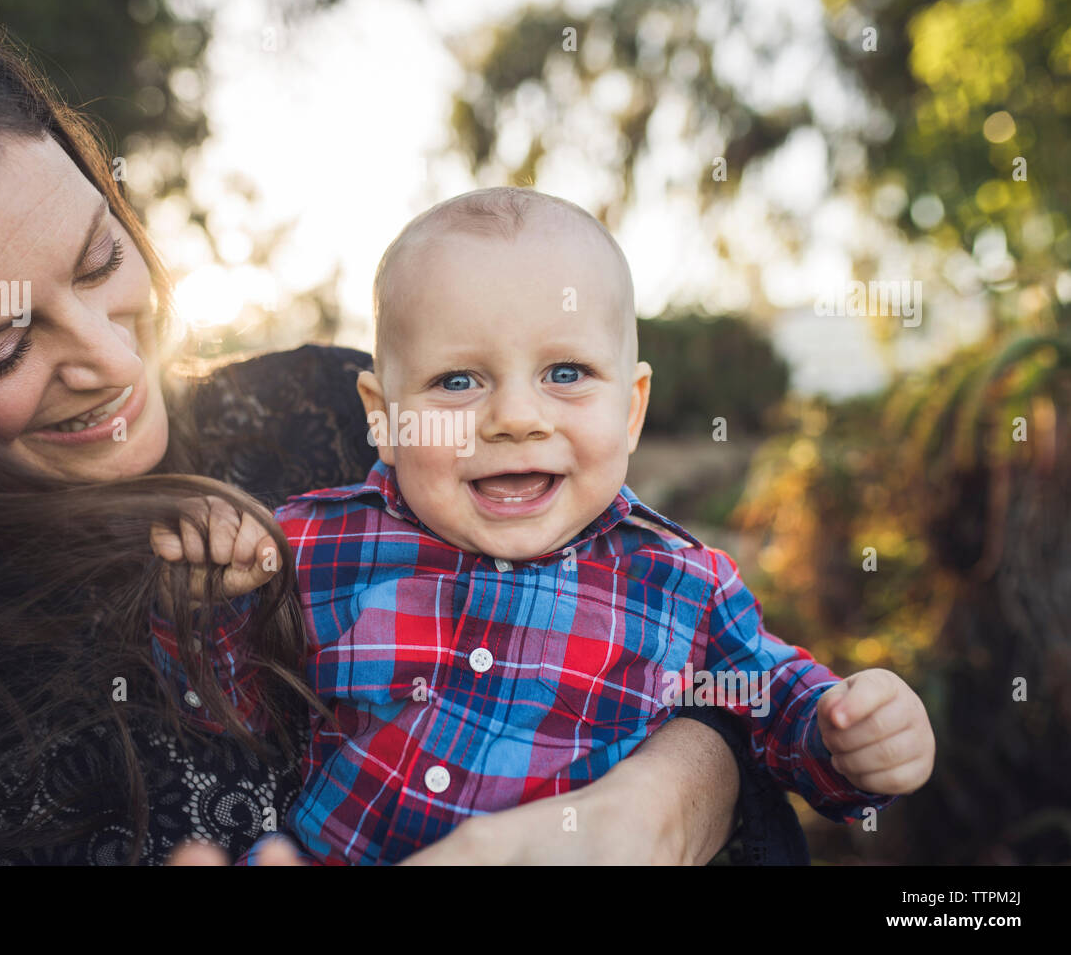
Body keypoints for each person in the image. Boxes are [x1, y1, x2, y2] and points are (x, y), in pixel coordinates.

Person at [0, 0, 760, 866]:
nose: (114, 363)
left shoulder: (338, 421)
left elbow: (668, 640)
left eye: (99, 257)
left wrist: (669, 802)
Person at [152, 188, 936, 865]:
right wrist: (203, 593)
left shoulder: (682, 584)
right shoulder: (319, 545)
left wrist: (851, 735)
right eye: (458, 380)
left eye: (565, 373)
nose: (517, 418)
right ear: (384, 420)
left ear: (631, 409)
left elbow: (776, 711)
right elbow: (225, 704)